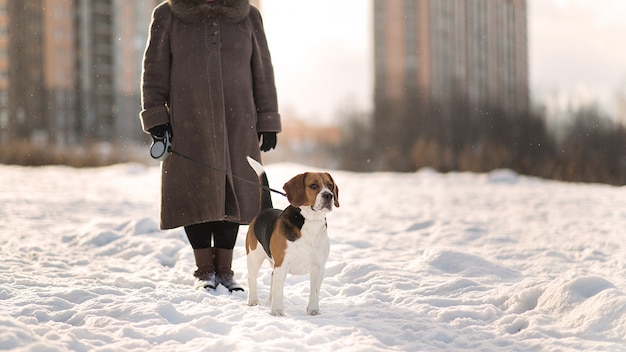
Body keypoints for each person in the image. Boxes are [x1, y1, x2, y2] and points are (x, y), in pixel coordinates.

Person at [139, 0, 281, 292]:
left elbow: (263, 71)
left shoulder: (249, 15)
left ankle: (225, 272)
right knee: (196, 195)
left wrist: (268, 119)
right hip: (188, 124)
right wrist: (156, 117)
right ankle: (205, 270)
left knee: (235, 196)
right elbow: (154, 73)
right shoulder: (168, 15)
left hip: (239, 123)